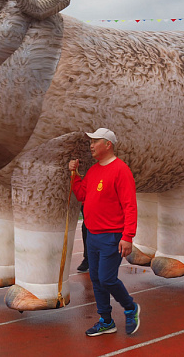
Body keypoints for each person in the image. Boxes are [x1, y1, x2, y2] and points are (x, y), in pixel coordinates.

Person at [69, 127, 140, 336]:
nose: (91, 145)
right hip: (93, 235)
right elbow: (82, 194)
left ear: (108, 144)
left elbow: (130, 205)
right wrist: (74, 174)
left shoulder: (121, 170)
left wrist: (128, 237)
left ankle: (130, 307)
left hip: (112, 236)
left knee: (107, 279)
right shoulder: (93, 170)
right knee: (97, 279)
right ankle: (106, 320)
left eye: (95, 141)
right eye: (91, 141)